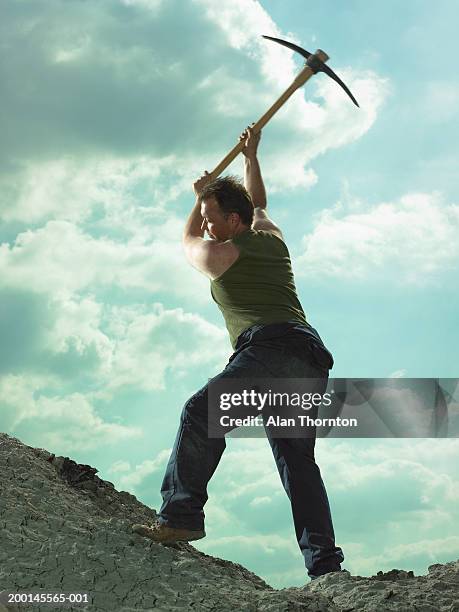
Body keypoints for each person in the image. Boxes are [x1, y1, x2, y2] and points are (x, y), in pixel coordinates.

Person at [132, 125, 345, 580]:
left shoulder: (222, 254)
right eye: (206, 217)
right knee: (297, 463)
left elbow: (187, 242)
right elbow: (260, 202)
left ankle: (180, 518)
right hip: (308, 358)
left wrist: (195, 200)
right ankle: (325, 565)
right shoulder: (272, 237)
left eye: (213, 217)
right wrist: (251, 156)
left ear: (232, 221)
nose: (207, 225)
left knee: (199, 413)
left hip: (268, 350)